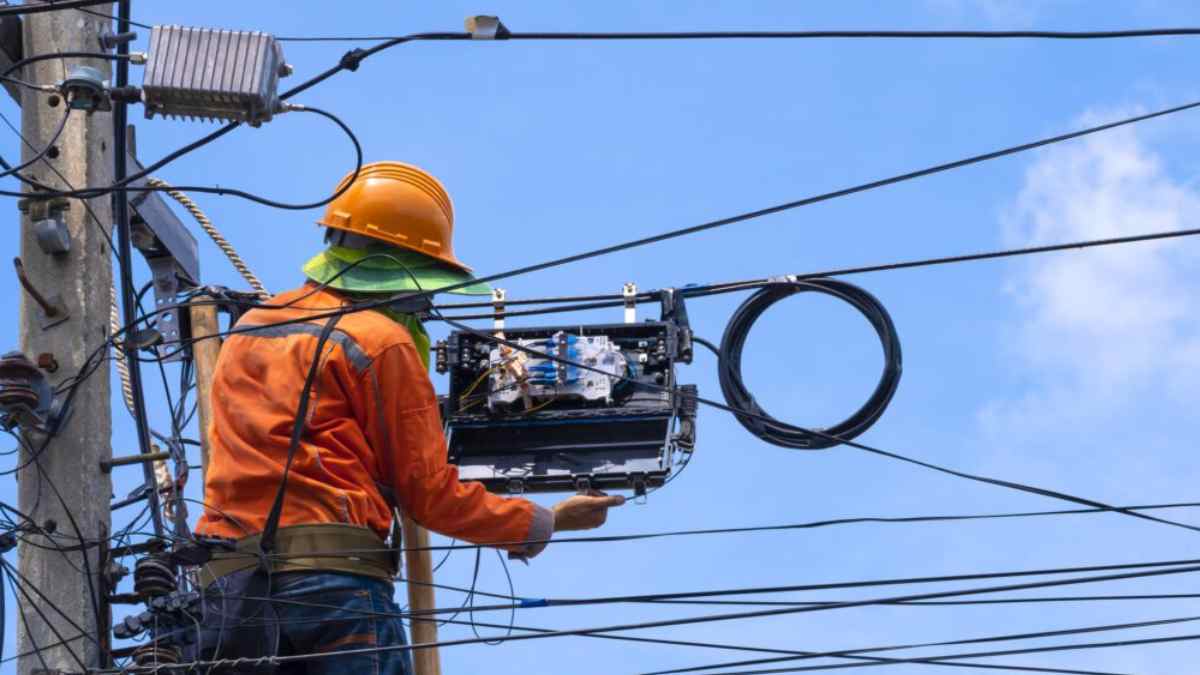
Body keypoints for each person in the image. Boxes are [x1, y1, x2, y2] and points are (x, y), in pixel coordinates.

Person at [190, 161, 625, 674]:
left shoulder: (248, 330)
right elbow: (429, 495)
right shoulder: (379, 341)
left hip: (230, 591)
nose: (427, 304)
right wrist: (547, 520)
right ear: (405, 269)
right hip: (335, 586)